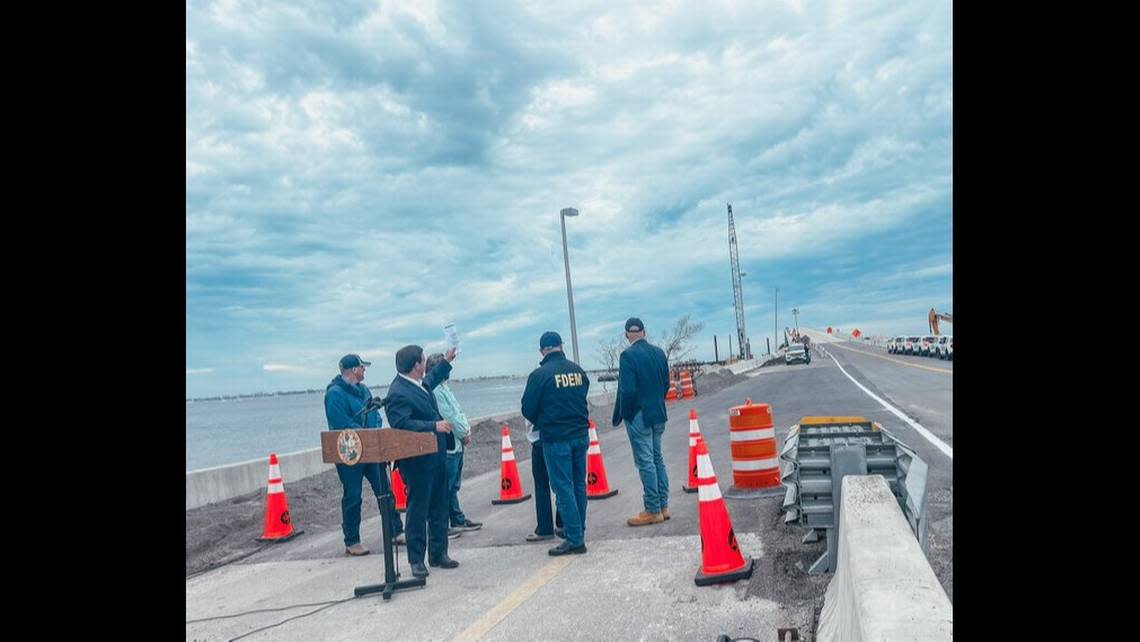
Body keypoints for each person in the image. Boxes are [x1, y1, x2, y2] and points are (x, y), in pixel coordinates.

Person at [385, 345, 460, 579]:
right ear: (416, 365)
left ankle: (439, 553)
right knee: (418, 508)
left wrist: (447, 360)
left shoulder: (419, 384)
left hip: (436, 454)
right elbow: (401, 423)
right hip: (417, 462)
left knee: (440, 505)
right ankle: (416, 559)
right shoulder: (397, 392)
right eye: (423, 361)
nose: (425, 364)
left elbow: (432, 378)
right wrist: (433, 426)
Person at [323, 353, 404, 556]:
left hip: (372, 450)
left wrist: (374, 435)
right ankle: (352, 540)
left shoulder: (364, 390)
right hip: (349, 453)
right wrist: (364, 437)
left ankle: (395, 530)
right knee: (353, 496)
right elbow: (341, 423)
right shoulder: (334, 394)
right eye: (362, 367)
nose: (365, 370)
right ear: (352, 370)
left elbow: (375, 415)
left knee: (384, 490)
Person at [521, 331, 591, 556]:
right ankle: (577, 529)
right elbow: (583, 394)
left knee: (563, 488)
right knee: (579, 484)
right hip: (580, 434)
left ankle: (574, 538)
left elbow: (528, 409)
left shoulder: (539, 375)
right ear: (561, 346)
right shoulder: (578, 371)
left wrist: (544, 418)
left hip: (556, 437)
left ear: (542, 351)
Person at [611, 317, 672, 527]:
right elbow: (666, 384)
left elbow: (627, 391)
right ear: (644, 332)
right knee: (657, 458)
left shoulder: (627, 356)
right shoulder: (659, 353)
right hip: (658, 413)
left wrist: (627, 414)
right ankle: (663, 506)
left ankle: (653, 509)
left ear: (627, 334)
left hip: (639, 415)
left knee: (646, 461)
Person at [425, 353, 483, 534]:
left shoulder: (444, 388)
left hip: (457, 442)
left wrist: (466, 430)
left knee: (453, 486)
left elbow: (458, 411)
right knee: (445, 486)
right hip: (449, 445)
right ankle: (444, 525)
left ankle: (457, 518)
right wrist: (462, 433)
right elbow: (448, 416)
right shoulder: (435, 391)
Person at [524, 424, 563, 542]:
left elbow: (529, 410)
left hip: (540, 436)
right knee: (562, 481)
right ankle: (563, 522)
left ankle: (545, 527)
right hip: (560, 433)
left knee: (541, 484)